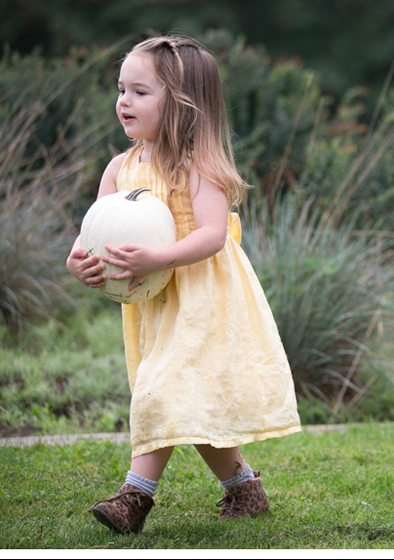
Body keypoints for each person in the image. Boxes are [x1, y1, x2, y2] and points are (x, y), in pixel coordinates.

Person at [66, 34, 302, 534]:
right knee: (186, 397)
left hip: (203, 298)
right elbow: (92, 234)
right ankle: (244, 489)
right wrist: (80, 264)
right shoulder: (119, 169)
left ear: (180, 103)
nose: (124, 101)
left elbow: (213, 236)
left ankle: (134, 498)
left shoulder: (199, 165)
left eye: (140, 92)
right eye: (120, 89)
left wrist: (158, 256)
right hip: (154, 302)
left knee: (164, 389)